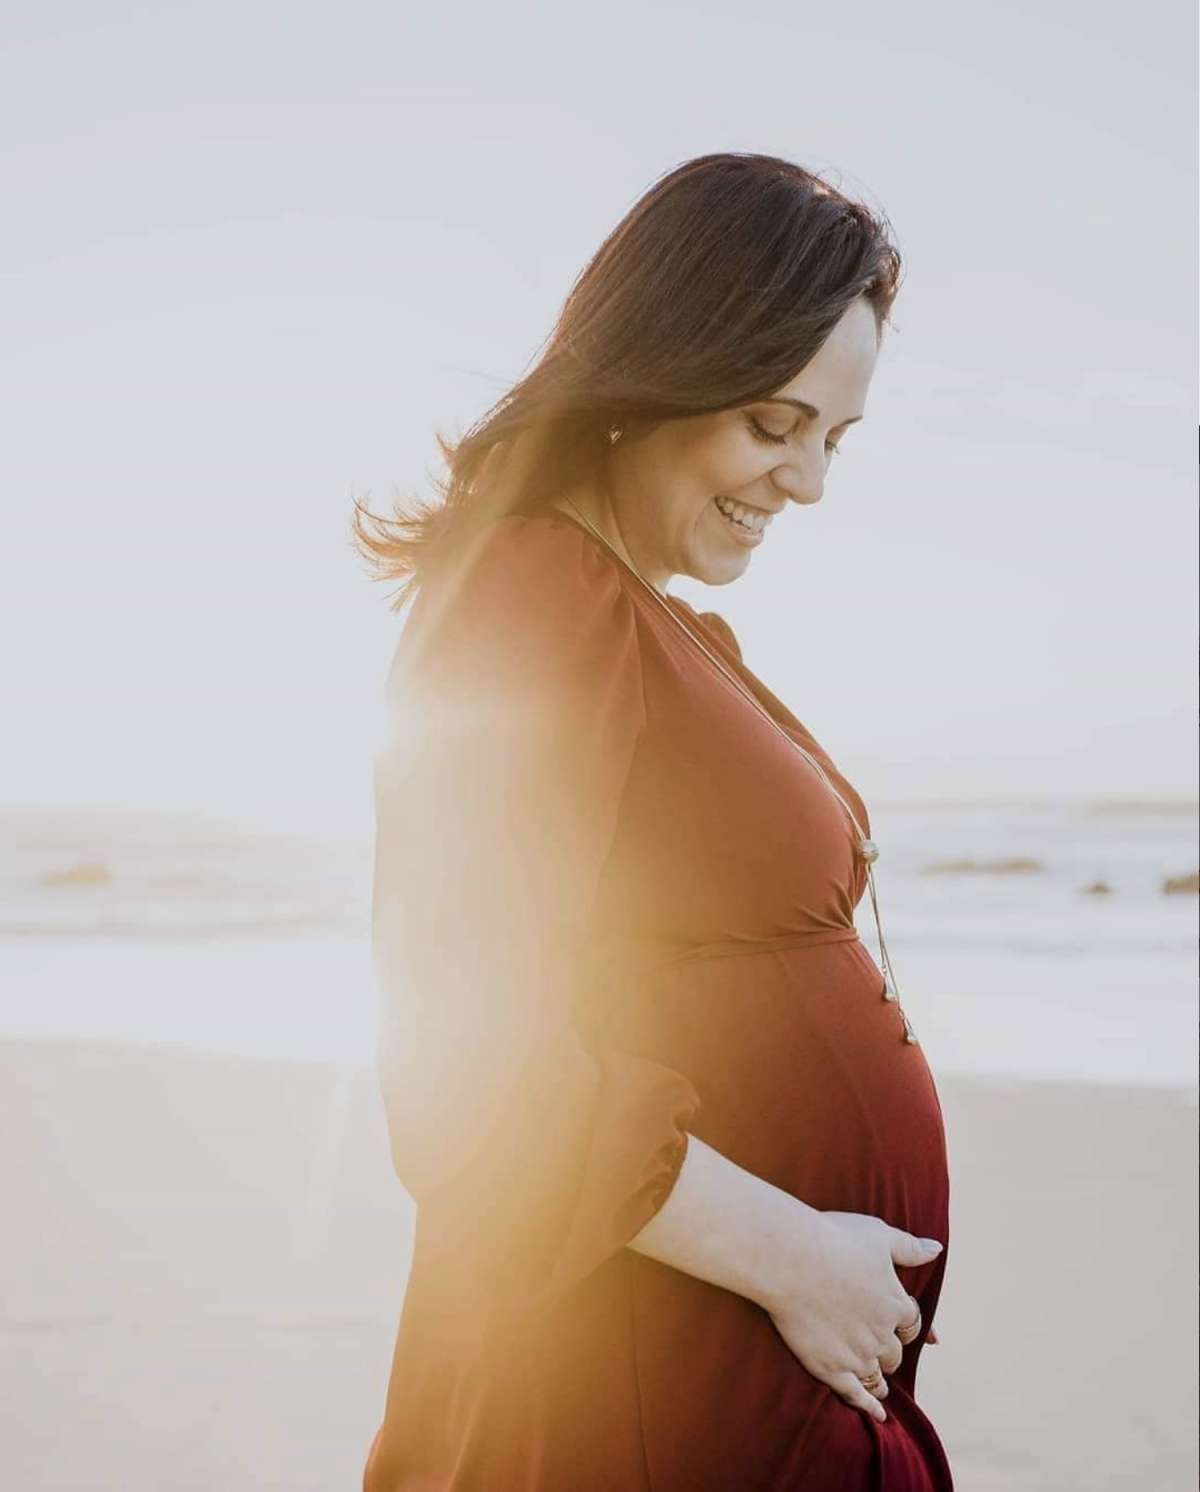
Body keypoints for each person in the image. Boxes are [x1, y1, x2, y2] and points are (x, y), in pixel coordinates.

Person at [352, 151, 953, 1490]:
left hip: (711, 1373)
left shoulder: (634, 618)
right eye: (772, 423)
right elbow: (464, 1073)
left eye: (832, 441)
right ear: (658, 376)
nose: (805, 484)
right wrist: (796, 1258)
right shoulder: (528, 598)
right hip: (634, 1382)